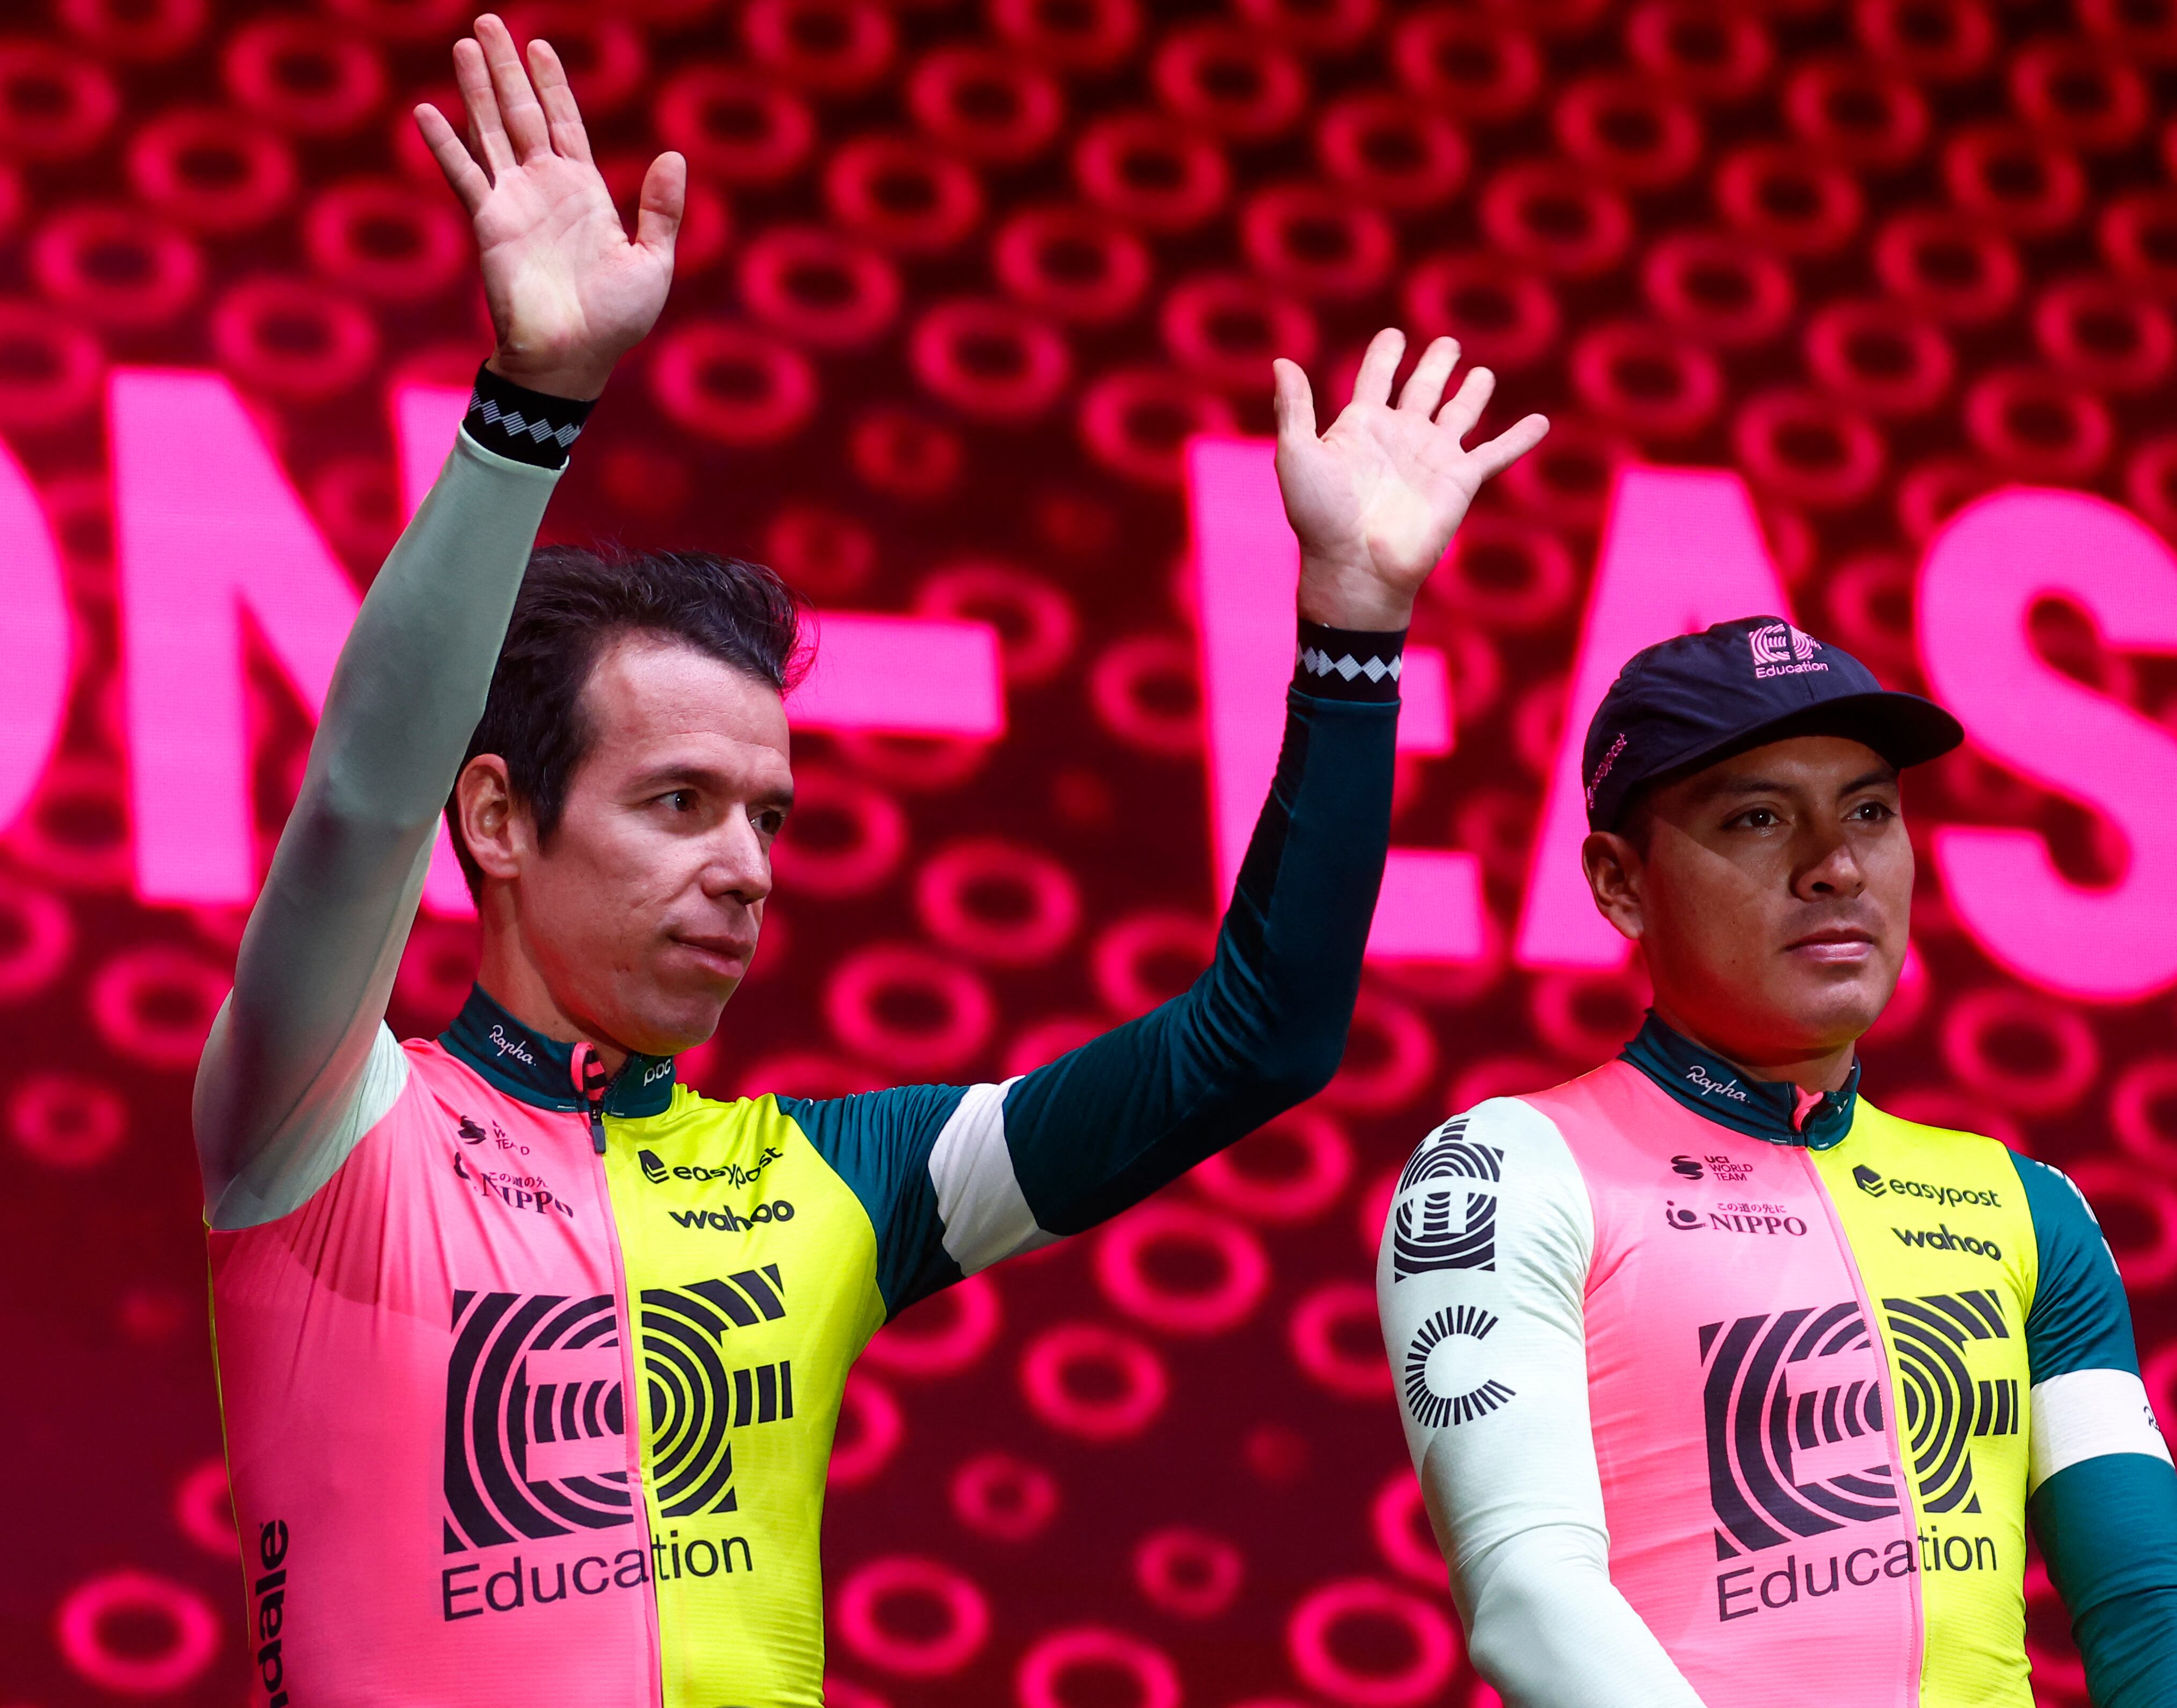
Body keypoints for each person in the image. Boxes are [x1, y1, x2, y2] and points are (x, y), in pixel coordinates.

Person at [196, 17, 1548, 1708]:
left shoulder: (833, 1183)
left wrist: (1353, 634)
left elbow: (1259, 1038)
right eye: (677, 802)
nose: (746, 867)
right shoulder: (323, 1122)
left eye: (767, 815)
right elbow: (356, 802)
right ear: (497, 823)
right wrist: (529, 409)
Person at [1376, 617, 2177, 1707]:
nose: (1836, 867)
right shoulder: (1503, 1171)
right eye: (1759, 817)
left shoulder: (2028, 1206)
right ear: (1618, 882)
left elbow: (2146, 1604)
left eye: (1870, 811)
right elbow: (1528, 1600)